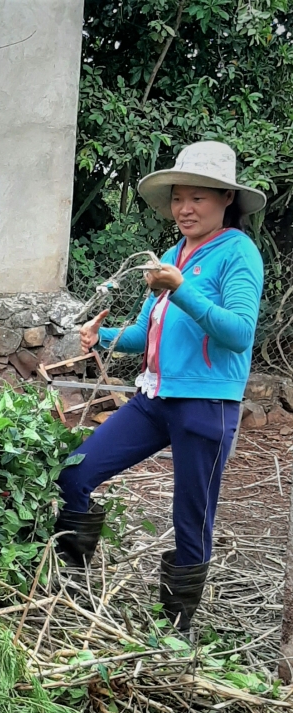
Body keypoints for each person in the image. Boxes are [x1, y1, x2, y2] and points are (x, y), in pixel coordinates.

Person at [55, 141, 266, 629]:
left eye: (199, 198)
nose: (185, 208)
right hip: (153, 400)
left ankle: (173, 630)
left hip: (205, 406)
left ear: (225, 201)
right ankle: (71, 587)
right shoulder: (174, 252)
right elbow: (149, 331)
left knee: (190, 522)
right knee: (75, 472)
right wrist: (101, 336)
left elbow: (238, 334)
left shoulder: (239, 254)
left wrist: (181, 288)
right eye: (178, 198)